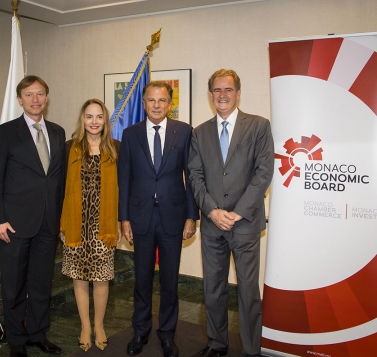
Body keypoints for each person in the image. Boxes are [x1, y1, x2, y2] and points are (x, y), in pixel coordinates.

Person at [187, 69, 274, 357]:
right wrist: (211, 211)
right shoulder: (199, 132)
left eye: (228, 89)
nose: (222, 95)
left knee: (248, 292)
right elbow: (195, 176)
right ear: (210, 95)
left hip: (245, 224)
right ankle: (217, 342)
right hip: (212, 226)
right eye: (216, 90)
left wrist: (236, 213)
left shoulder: (258, 126)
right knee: (213, 289)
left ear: (238, 92)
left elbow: (263, 173)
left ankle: (252, 350)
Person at [118, 81, 199, 357]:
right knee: (141, 279)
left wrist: (192, 216)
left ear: (170, 103)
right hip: (140, 217)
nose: (156, 105)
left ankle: (167, 334)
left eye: (162, 100)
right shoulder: (130, 134)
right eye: (151, 100)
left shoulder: (185, 132)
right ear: (143, 102)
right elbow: (124, 179)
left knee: (169, 281)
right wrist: (124, 218)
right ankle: (140, 331)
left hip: (173, 217)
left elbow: (191, 175)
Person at [0, 76, 66, 357]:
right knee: (14, 284)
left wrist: (61, 221)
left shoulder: (57, 132)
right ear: (20, 99)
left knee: (42, 282)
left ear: (47, 97)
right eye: (29, 94)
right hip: (14, 222)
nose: (35, 99)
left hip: (48, 223)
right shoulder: (5, 132)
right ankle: (16, 340)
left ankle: (37, 333)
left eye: (40, 93)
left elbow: (60, 180)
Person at [59, 99, 122, 352]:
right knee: (79, 277)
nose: (94, 122)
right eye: (89, 116)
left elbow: (122, 188)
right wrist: (61, 223)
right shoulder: (69, 148)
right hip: (76, 223)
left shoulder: (116, 148)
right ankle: (85, 325)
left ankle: (99, 325)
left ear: (105, 121)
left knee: (101, 278)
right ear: (82, 119)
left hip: (103, 225)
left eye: (99, 117)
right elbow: (60, 188)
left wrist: (118, 222)